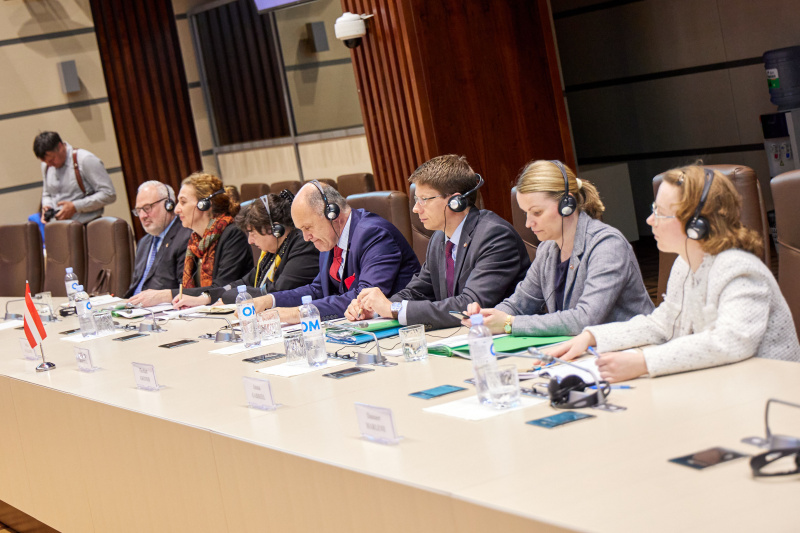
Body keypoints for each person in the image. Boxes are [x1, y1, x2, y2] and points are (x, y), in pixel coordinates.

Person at [546, 165, 800, 382]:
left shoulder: (739, 270)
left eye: (659, 213)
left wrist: (643, 362)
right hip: (723, 386)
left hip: (768, 394)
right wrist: (592, 336)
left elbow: (730, 341)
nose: (649, 220)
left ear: (696, 224)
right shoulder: (685, 263)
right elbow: (662, 324)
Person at [465, 159, 653, 335]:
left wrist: (509, 323)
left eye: (536, 212)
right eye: (525, 213)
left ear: (567, 204)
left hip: (629, 351)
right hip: (583, 354)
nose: (529, 223)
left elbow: (584, 319)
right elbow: (519, 304)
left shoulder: (607, 245)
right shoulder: (547, 250)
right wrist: (488, 317)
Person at [344, 155, 530, 329]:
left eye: (424, 200)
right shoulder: (439, 238)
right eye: (416, 200)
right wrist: (375, 308)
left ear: (456, 201)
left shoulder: (495, 235)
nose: (416, 209)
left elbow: (469, 304)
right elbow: (417, 292)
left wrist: (394, 309)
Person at [252, 181, 420, 323]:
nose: (305, 238)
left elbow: (362, 300)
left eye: (307, 227)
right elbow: (317, 289)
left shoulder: (374, 234)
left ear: (332, 213)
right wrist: (271, 300)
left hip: (402, 329)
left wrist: (297, 313)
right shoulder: (330, 238)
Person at [172, 190, 319, 306]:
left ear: (275, 229)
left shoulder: (303, 245)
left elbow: (277, 291)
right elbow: (243, 283)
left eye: (252, 233)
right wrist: (205, 297)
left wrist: (230, 296)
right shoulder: (271, 252)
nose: (250, 241)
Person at [128, 172, 253, 306]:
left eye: (183, 202)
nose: (176, 209)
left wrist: (166, 295)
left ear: (203, 205)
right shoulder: (195, 242)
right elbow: (191, 290)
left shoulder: (232, 235)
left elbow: (221, 289)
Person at [124, 181, 192, 298]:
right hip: (133, 308)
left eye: (147, 208)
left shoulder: (185, 237)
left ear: (168, 204)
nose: (142, 216)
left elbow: (185, 289)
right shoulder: (143, 243)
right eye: (139, 210)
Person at [33, 131, 116, 224]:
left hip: (87, 226)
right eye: (46, 162)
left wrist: (75, 206)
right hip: (59, 228)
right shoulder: (46, 165)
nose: (50, 164)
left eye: (52, 159)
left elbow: (109, 194)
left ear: (60, 146)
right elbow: (47, 193)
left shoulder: (85, 160)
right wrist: (47, 206)